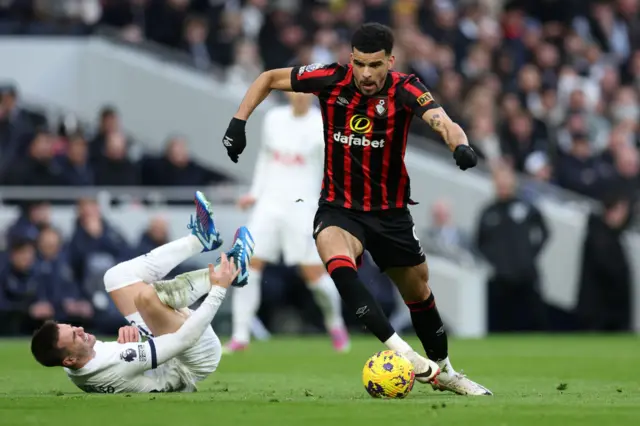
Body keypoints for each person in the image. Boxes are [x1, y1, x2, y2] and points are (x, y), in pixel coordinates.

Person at [220, 22, 491, 395]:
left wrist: (459, 146)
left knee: (418, 291)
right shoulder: (330, 79)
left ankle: (444, 370)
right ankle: (406, 356)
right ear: (351, 59)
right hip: (339, 209)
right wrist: (239, 121)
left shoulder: (406, 88)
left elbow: (444, 122)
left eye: (375, 65)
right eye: (360, 63)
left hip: (391, 213)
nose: (366, 73)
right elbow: (267, 78)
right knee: (336, 261)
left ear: (389, 62)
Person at [30, 192, 255, 393]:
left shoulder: (75, 364)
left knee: (115, 278)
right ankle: (231, 270)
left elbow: (126, 371)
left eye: (72, 327)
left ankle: (200, 240)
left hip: (168, 354)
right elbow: (183, 340)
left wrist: (131, 342)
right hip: (194, 359)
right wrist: (218, 290)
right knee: (147, 297)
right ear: (69, 358)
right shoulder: (116, 363)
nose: (79, 328)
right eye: (74, 335)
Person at [226, 91, 349, 354]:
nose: (300, 96)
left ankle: (335, 323)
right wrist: (255, 193)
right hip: (269, 203)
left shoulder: (323, 124)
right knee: (247, 263)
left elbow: (334, 167)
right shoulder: (274, 118)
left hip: (302, 207)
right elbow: (265, 158)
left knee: (314, 273)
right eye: (296, 89)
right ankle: (240, 335)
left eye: (306, 91)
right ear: (288, 92)